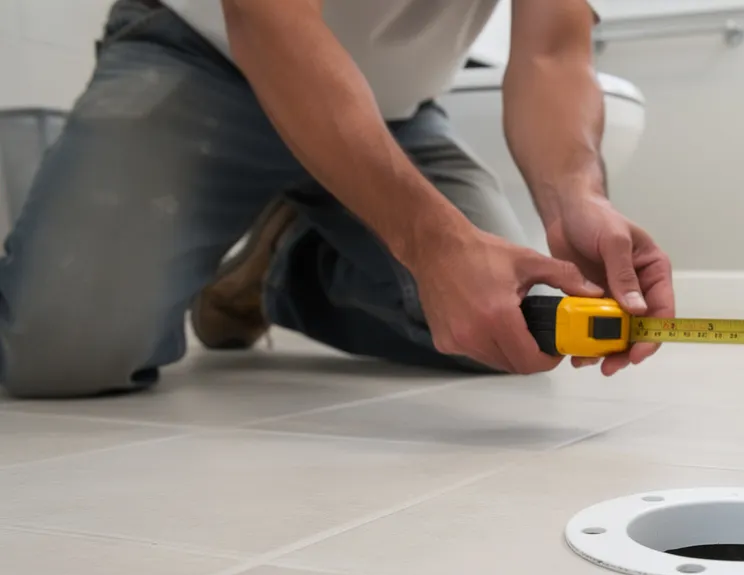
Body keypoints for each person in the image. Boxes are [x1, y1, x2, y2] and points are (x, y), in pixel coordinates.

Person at [0, 0, 674, 399]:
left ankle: (279, 269)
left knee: (500, 326)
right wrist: (434, 245)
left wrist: (576, 199)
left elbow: (553, 54)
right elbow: (269, 20)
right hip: (207, 57)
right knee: (60, 355)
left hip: (395, 110)